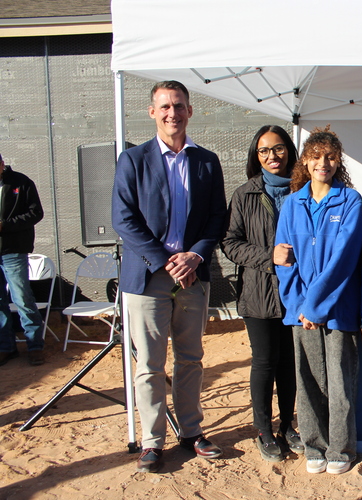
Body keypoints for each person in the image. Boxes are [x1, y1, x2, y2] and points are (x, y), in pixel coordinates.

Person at [112, 80, 227, 473]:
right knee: (149, 363)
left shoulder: (207, 161)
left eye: (179, 105)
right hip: (148, 277)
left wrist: (194, 257)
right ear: (152, 112)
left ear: (190, 111)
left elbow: (216, 218)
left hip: (193, 275)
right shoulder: (133, 160)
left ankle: (191, 433)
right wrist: (167, 261)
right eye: (164, 106)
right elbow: (123, 220)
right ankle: (152, 442)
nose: (172, 113)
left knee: (191, 358)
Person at [274, 126, 362, 475]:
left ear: (338, 161)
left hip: (337, 308)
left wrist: (314, 306)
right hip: (300, 312)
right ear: (306, 161)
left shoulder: (350, 201)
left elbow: (342, 261)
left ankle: (340, 451)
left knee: (340, 381)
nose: (323, 162)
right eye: (316, 156)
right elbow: (284, 260)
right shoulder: (292, 204)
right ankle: (314, 445)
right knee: (308, 379)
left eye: (330, 156)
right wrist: (300, 307)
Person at [220, 125, 304, 462]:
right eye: (264, 150)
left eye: (279, 148)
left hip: (296, 293)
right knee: (265, 362)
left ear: (289, 151)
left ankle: (287, 425)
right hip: (258, 293)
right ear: (256, 155)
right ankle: (263, 430)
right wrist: (268, 256)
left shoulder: (304, 190)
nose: (272, 156)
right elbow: (229, 243)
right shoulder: (244, 194)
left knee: (289, 364)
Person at [0, 153, 46, 367]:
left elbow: (36, 213)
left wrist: (5, 225)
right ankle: (6, 347)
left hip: (13, 251)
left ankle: (35, 345)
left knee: (22, 298)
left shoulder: (21, 182)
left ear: (2, 164)